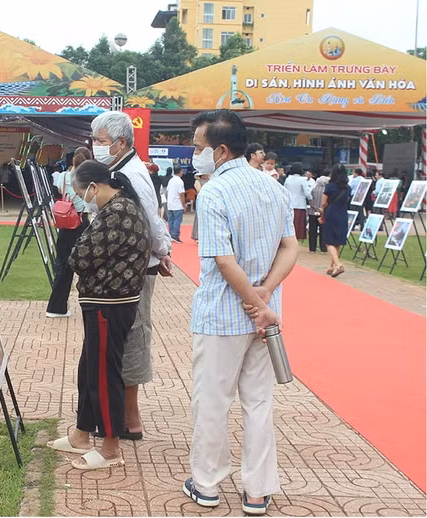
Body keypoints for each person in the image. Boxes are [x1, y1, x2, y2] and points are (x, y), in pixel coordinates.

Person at [184, 109, 297, 516]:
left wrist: (254, 301)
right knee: (258, 402)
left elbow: (224, 262)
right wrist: (265, 299)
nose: (194, 154)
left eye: (198, 147)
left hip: (223, 317)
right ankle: (257, 491)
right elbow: (290, 248)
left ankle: (208, 484)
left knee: (212, 401)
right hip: (264, 318)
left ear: (221, 150)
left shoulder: (214, 191)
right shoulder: (273, 187)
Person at [46, 159, 150, 470]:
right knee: (90, 371)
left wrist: (78, 251)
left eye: (81, 192)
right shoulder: (119, 208)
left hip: (110, 303)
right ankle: (82, 434)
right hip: (104, 301)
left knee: (104, 376)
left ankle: (110, 447)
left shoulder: (118, 212)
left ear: (94, 186)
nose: (80, 199)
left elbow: (79, 256)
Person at [89, 110, 172, 442]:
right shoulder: (118, 169)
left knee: (133, 336)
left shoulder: (133, 175)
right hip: (124, 268)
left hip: (133, 270)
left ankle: (130, 419)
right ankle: (120, 415)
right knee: (122, 338)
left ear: (120, 143)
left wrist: (162, 251)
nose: (95, 146)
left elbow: (150, 219)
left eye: (100, 141)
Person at [46, 147, 91, 318]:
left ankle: (56, 306)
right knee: (87, 264)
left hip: (65, 222)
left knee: (62, 266)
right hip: (81, 222)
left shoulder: (63, 176)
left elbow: (59, 191)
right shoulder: (88, 178)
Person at [319, 164, 350, 277]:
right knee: (337, 241)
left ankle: (337, 264)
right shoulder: (348, 188)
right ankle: (331, 267)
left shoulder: (330, 187)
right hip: (342, 214)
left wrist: (322, 214)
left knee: (329, 241)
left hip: (331, 213)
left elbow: (323, 203)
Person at [284, 162, 312, 241]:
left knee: (290, 224)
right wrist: (311, 198)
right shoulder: (302, 179)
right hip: (300, 205)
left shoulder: (288, 179)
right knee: (298, 226)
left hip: (289, 204)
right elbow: (307, 193)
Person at [307, 172, 329, 253]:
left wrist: (315, 207)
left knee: (312, 230)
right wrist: (322, 208)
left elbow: (310, 199)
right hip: (323, 212)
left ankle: (312, 248)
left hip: (313, 211)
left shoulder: (313, 189)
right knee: (323, 230)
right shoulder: (326, 190)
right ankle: (323, 248)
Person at [166, 166, 185, 243]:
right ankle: (175, 235)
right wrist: (183, 205)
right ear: (180, 171)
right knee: (177, 220)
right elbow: (181, 194)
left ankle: (170, 234)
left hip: (170, 203)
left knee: (171, 220)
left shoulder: (171, 180)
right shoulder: (179, 181)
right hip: (177, 204)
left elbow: (167, 191)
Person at [190, 171, 211, 242]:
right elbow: (199, 190)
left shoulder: (210, 181)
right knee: (199, 217)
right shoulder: (197, 181)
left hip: (209, 200)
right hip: (201, 199)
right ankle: (197, 236)